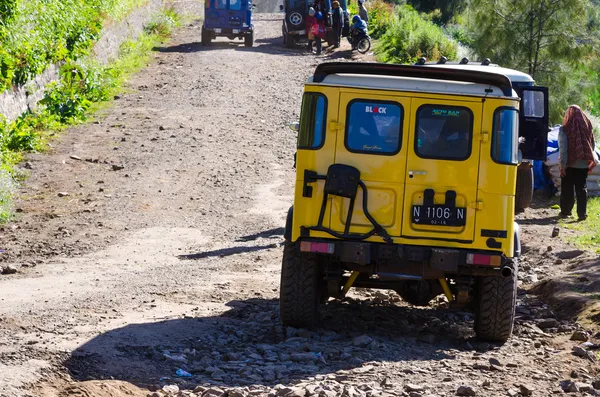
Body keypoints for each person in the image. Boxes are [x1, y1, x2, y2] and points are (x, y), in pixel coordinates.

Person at [558, 105, 598, 221]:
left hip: (569, 165)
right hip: (583, 165)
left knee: (567, 188)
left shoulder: (565, 129)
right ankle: (582, 214)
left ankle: (566, 211)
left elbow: (563, 149)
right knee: (581, 188)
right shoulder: (587, 127)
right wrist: (588, 161)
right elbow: (592, 146)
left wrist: (562, 165)